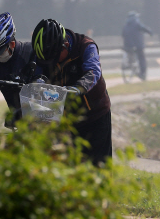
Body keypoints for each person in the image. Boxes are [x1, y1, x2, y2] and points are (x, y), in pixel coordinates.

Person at [31, 18, 112, 166]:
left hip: (96, 114)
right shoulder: (44, 53)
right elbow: (37, 72)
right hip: (69, 117)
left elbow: (93, 72)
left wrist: (76, 89)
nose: (52, 63)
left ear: (65, 46)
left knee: (99, 166)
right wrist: (38, 83)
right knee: (75, 166)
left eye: (54, 59)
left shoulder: (86, 46)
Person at [122, 11, 153, 80]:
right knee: (141, 57)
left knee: (130, 53)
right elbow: (144, 28)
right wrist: (150, 32)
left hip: (127, 46)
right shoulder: (137, 23)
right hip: (138, 46)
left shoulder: (125, 25)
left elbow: (123, 35)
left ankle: (129, 63)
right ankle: (143, 73)